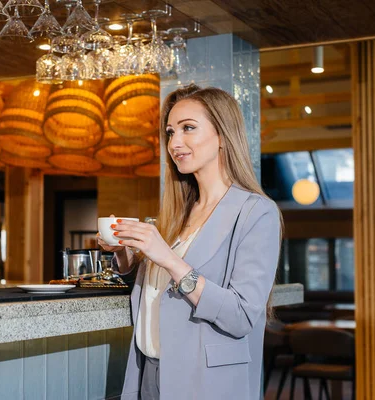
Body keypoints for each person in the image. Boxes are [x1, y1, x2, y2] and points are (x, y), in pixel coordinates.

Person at [98, 84, 282, 400]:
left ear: (223, 135)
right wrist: (127, 255)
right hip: (150, 373)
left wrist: (169, 259)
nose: (175, 143)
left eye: (188, 128)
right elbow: (158, 291)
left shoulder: (256, 212)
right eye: (170, 132)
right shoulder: (179, 212)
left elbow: (241, 315)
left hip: (206, 382)